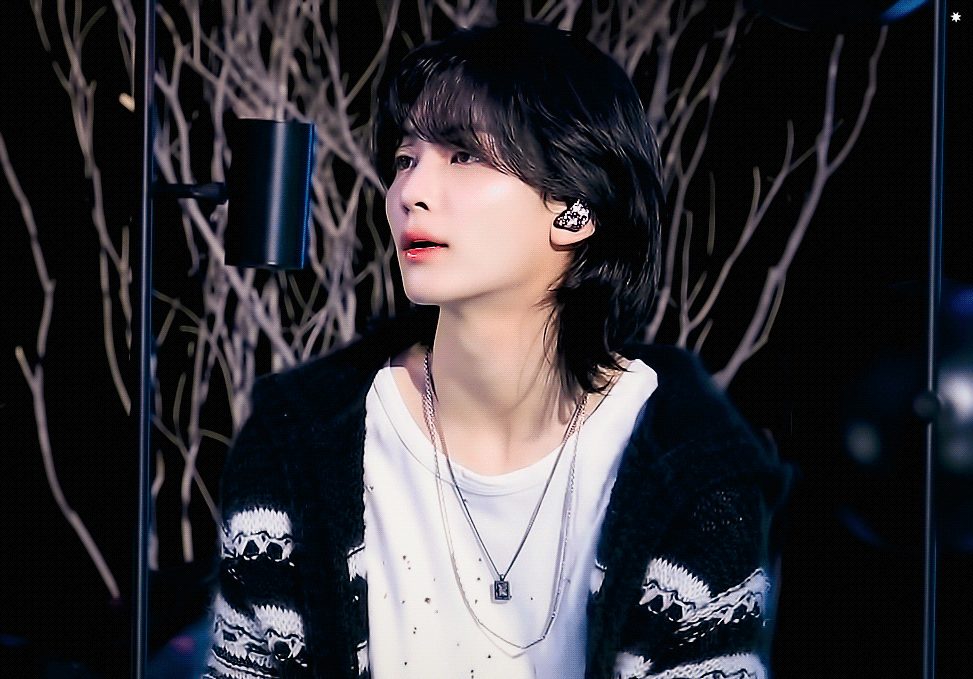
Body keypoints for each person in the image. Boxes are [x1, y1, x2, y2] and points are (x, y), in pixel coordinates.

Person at [202, 21, 789, 679]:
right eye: (405, 159)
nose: (410, 193)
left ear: (574, 209)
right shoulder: (297, 445)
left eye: (463, 155)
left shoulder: (690, 468)